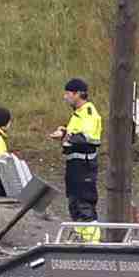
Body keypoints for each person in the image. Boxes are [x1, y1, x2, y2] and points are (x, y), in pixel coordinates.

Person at [58, 77, 103, 222]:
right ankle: (81, 238)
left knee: (84, 205)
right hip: (75, 166)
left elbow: (87, 138)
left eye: (68, 94)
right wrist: (64, 134)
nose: (65, 97)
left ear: (77, 94)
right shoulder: (78, 113)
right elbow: (76, 135)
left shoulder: (88, 113)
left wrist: (67, 137)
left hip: (84, 166)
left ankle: (91, 240)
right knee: (75, 204)